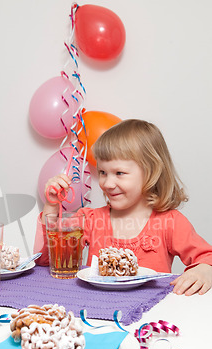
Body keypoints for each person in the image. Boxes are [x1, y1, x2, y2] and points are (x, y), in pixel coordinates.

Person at [34, 119, 212, 296]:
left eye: (119, 173)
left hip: (147, 313)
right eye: (103, 172)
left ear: (151, 172)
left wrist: (205, 270)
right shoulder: (89, 219)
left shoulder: (170, 223)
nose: (108, 183)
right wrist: (51, 206)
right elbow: (46, 260)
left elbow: (207, 258)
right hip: (94, 309)